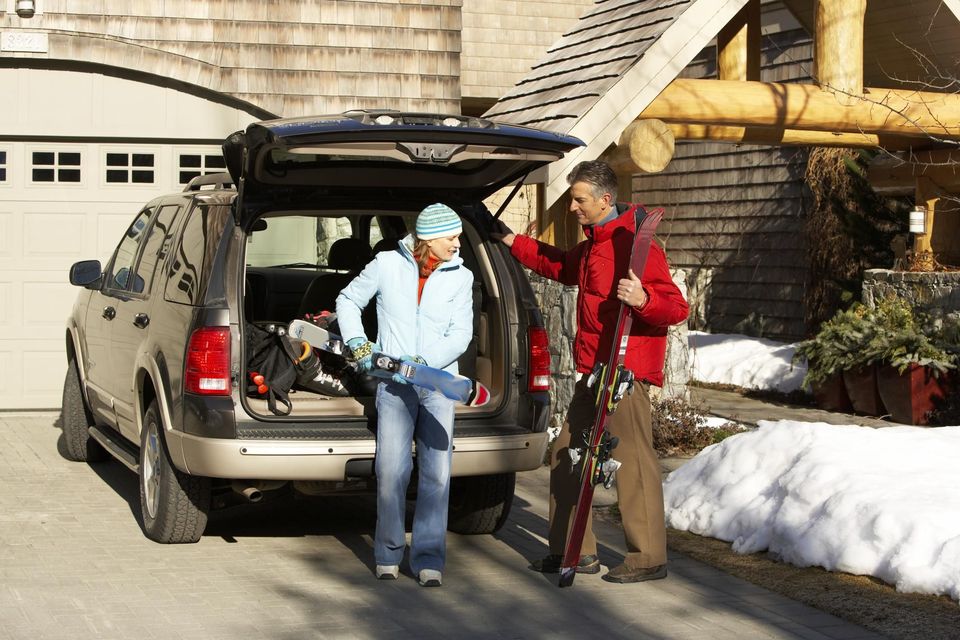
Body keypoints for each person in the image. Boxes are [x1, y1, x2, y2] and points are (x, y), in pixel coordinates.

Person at [489, 160, 689, 583]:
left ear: (605, 199)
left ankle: (648, 556)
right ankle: (574, 551)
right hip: (596, 369)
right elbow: (560, 266)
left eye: (579, 200)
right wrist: (509, 239)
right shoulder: (596, 243)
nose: (572, 207)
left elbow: (674, 307)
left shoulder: (636, 245)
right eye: (572, 198)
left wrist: (642, 297)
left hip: (626, 372)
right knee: (566, 452)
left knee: (632, 460)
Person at [336, 203, 474, 587]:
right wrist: (357, 342)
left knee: (437, 474)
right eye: (451, 236)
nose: (458, 243)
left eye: (458, 236)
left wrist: (424, 362)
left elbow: (461, 335)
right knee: (391, 471)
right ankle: (388, 553)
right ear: (428, 238)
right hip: (393, 384)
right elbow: (347, 301)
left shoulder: (461, 277)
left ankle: (429, 558)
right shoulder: (385, 265)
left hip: (438, 385)